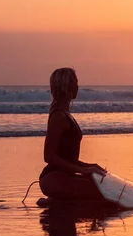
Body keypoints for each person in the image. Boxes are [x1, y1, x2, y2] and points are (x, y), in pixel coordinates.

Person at [39, 68, 106, 200]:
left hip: (67, 176)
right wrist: (82, 170)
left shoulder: (66, 114)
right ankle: (54, 202)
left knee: (105, 187)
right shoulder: (58, 116)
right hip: (53, 178)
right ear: (67, 86)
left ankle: (57, 203)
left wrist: (89, 166)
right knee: (103, 195)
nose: (77, 87)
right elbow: (49, 156)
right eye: (75, 82)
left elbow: (69, 159)